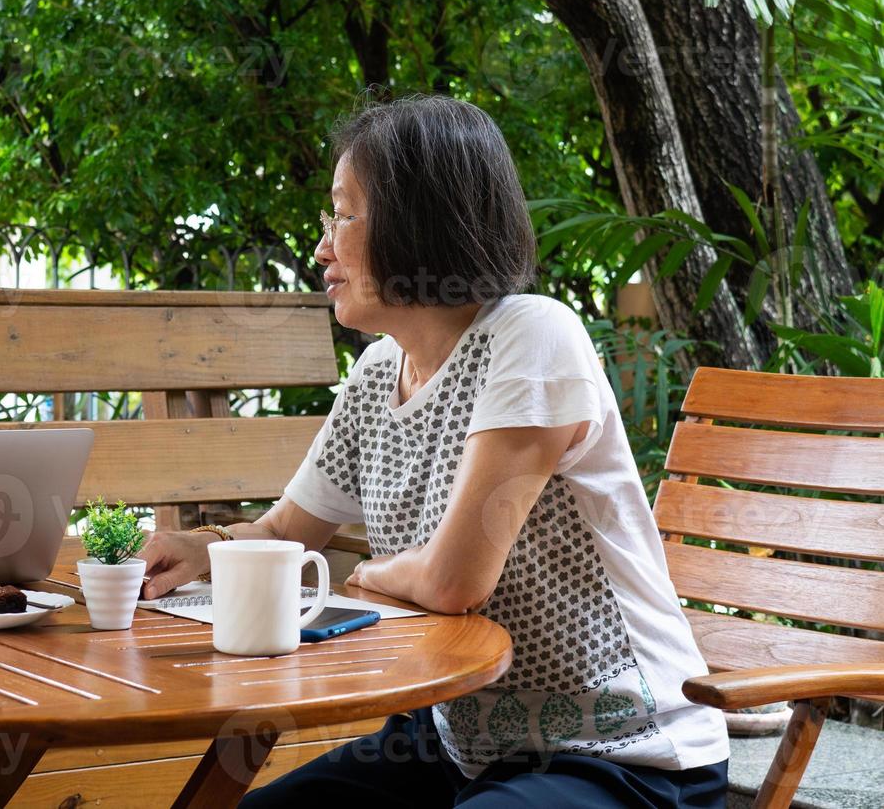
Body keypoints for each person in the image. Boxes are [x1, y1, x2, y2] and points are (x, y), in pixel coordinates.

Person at [140, 96, 730, 807]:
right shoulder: (374, 375)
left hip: (622, 751)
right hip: (458, 747)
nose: (323, 247)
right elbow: (282, 536)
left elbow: (455, 582)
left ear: (420, 221)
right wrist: (198, 545)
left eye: (345, 214)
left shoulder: (533, 337)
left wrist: (370, 577)